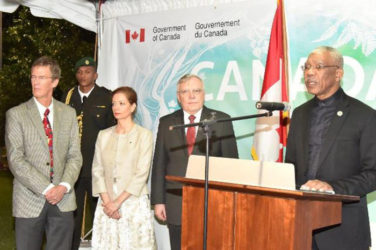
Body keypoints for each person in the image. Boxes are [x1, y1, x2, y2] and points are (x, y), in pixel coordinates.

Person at [285, 46, 376, 250]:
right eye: (307, 67)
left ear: (338, 73)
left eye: (318, 67)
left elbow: (373, 173)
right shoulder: (299, 114)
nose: (309, 72)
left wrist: (333, 188)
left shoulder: (365, 116)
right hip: (300, 228)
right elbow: (290, 166)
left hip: (342, 232)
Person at [151, 74, 239, 250]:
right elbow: (159, 163)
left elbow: (232, 165)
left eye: (196, 91)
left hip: (212, 204)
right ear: (178, 96)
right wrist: (158, 200)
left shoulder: (221, 120)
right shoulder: (167, 122)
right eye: (185, 91)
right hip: (176, 202)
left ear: (203, 94)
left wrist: (229, 203)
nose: (191, 96)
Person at [5, 56, 82, 250]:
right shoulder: (16, 114)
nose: (35, 82)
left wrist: (63, 186)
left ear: (54, 82)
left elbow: (75, 155)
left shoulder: (68, 113)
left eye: (41, 77)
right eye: (33, 77)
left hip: (63, 200)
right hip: (29, 200)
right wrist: (48, 189)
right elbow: (16, 159)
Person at [91, 86, 156, 249]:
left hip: (132, 202)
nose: (116, 108)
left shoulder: (144, 135)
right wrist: (108, 202)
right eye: (113, 104)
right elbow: (97, 170)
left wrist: (117, 203)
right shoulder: (103, 135)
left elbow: (141, 174)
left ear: (132, 106)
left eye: (121, 103)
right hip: (106, 203)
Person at [61, 56, 115, 250]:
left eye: (88, 71)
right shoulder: (68, 97)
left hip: (97, 167)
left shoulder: (106, 97)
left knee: (101, 213)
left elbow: (113, 133)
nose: (83, 75)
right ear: (76, 75)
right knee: (71, 214)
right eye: (80, 72)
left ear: (95, 74)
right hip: (72, 167)